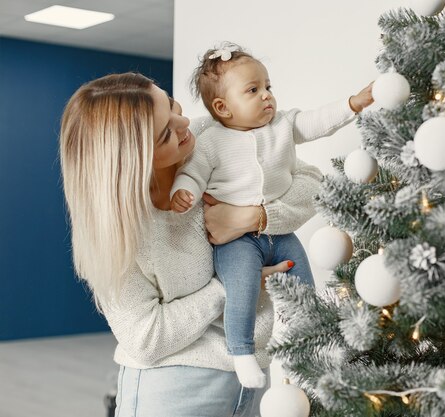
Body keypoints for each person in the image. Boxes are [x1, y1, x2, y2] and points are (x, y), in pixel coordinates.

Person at [59, 72, 324, 417]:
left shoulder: (212, 138)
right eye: (166, 133)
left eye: (171, 105)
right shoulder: (120, 231)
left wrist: (253, 216)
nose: (185, 122)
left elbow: (311, 182)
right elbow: (144, 338)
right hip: (173, 392)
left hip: (253, 378)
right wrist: (235, 283)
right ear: (133, 160)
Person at [170, 43, 374, 388]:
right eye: (253, 90)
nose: (267, 96)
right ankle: (242, 351)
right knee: (242, 289)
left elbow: (315, 122)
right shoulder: (211, 142)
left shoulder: (281, 125)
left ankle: (308, 345)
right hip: (236, 242)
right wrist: (182, 190)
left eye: (268, 87)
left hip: (281, 234)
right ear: (223, 107)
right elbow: (193, 173)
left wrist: (353, 103)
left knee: (303, 286)